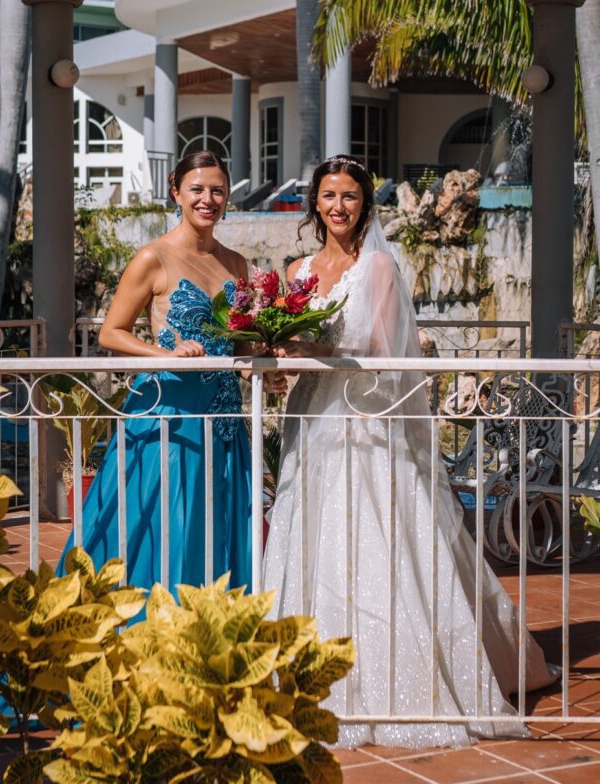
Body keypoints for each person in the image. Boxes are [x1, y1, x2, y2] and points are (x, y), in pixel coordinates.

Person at [264, 154, 557, 749]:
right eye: (328, 196)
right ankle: (304, 674)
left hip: (366, 423)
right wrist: (276, 365)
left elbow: (385, 354)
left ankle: (397, 679)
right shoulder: (295, 270)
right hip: (310, 420)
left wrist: (310, 349)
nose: (338, 207)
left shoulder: (377, 268)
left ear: (364, 204)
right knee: (313, 536)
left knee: (378, 535)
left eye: (349, 196)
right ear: (313, 203)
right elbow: (286, 351)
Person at [57, 151, 252, 593]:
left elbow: (240, 345)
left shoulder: (237, 264)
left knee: (216, 522)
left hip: (222, 420)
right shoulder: (153, 257)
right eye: (197, 189)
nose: (208, 199)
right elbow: (110, 333)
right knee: (163, 521)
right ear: (176, 192)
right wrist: (161, 354)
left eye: (218, 190)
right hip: (166, 416)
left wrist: (260, 368)